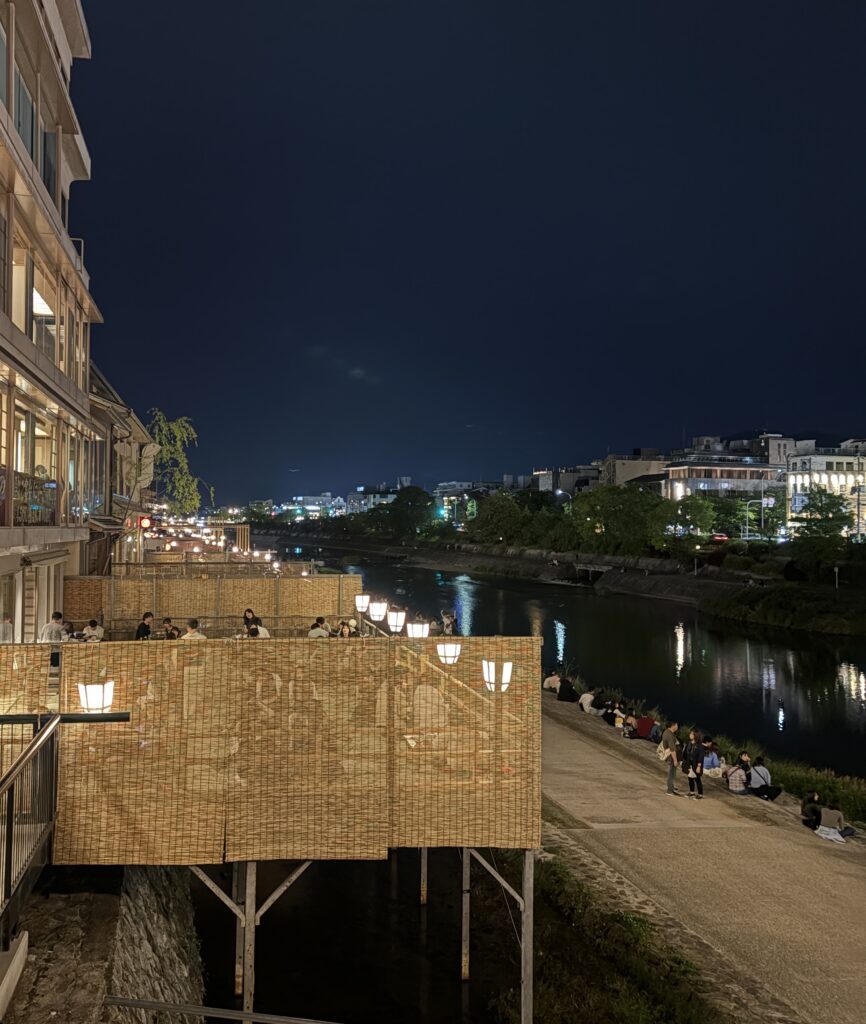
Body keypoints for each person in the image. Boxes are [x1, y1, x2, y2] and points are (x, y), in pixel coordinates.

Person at [682, 728, 704, 799]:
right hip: (689, 763)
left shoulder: (700, 746)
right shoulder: (689, 743)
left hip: (696, 764)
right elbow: (685, 753)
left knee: (697, 779)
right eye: (690, 733)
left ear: (696, 735)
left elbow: (700, 757)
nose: (690, 735)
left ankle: (700, 794)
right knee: (690, 778)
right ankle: (692, 792)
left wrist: (699, 766)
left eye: (692, 734)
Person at [661, 720, 680, 795]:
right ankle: (669, 790)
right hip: (671, 757)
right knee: (671, 773)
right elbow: (672, 749)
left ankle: (671, 787)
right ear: (673, 725)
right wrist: (675, 760)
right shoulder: (670, 735)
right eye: (677, 725)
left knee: (672, 772)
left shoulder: (667, 732)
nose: (677, 727)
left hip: (669, 755)